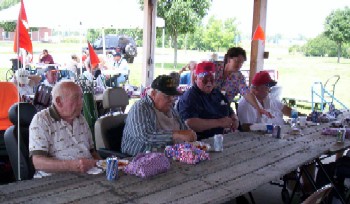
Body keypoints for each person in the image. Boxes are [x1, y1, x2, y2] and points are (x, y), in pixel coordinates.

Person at [29, 81, 101, 173]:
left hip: (90, 173)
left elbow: (92, 152)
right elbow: (37, 162)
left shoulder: (80, 118)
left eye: (81, 97)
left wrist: (104, 165)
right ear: (59, 101)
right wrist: (72, 166)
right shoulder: (42, 120)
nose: (81, 102)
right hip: (59, 180)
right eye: (76, 98)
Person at [122, 75, 197, 156]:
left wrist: (189, 133)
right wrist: (176, 135)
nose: (171, 100)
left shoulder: (170, 108)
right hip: (140, 160)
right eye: (167, 96)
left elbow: (183, 129)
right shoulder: (140, 108)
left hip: (171, 156)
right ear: (153, 93)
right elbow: (146, 136)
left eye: (173, 96)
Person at [177, 61, 239, 140]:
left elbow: (230, 111)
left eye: (212, 79)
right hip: (202, 141)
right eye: (205, 80)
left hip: (223, 137)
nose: (209, 83)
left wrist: (235, 119)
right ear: (196, 78)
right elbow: (190, 123)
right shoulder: (190, 97)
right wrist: (219, 122)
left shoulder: (217, 93)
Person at [215, 47, 271, 117]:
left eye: (241, 63)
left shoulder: (238, 77)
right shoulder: (214, 67)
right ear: (229, 59)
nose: (239, 65)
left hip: (222, 110)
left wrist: (259, 108)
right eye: (237, 61)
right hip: (205, 106)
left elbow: (246, 93)